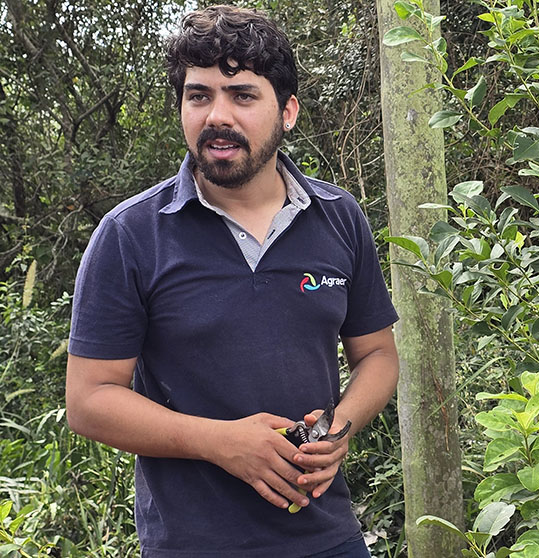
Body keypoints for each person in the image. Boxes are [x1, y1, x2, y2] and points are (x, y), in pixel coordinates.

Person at [64, 5, 399, 557]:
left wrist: (339, 426)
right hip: (190, 544)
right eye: (199, 96)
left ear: (287, 111)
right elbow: (89, 399)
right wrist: (219, 442)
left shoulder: (339, 218)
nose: (217, 115)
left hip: (328, 537)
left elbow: (379, 355)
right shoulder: (131, 235)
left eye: (242, 95)